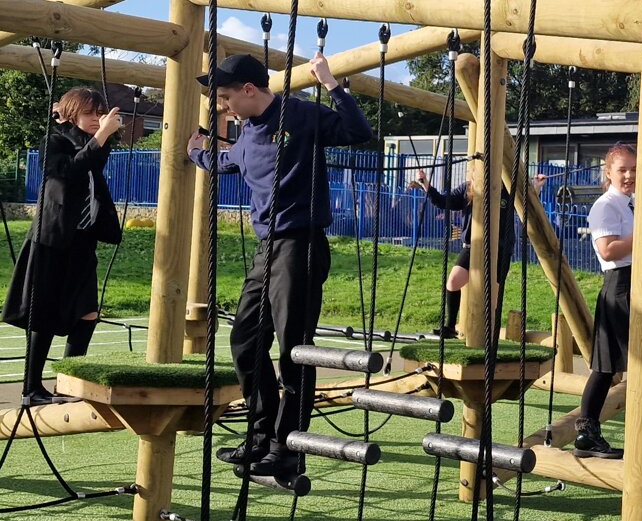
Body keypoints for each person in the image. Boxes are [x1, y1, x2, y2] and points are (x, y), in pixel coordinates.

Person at [188, 52, 372, 481]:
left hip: (300, 246)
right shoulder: (247, 135)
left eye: (228, 97)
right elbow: (226, 162)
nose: (225, 106)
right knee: (245, 339)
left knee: (293, 350)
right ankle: (259, 435)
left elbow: (357, 132)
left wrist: (329, 83)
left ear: (250, 90)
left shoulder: (301, 116)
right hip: (267, 249)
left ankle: (287, 448)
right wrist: (196, 151)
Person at [3, 87, 125, 406]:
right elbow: (70, 171)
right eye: (90, 113)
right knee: (42, 314)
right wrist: (99, 135)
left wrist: (101, 136)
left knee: (88, 313)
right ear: (72, 114)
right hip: (52, 242)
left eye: (100, 113)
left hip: (82, 243)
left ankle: (68, 383)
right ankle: (31, 388)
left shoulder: (93, 144)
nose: (97, 119)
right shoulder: (53, 142)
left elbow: (91, 163)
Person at [408, 170, 547, 340]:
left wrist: (536, 188)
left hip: (500, 248)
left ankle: (490, 333)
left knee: (493, 294)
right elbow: (444, 201)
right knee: (453, 281)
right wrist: (425, 184)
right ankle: (450, 326)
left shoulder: (506, 189)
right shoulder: (468, 190)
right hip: (473, 246)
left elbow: (526, 206)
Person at [573, 144, 637, 459]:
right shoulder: (606, 206)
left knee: (608, 365)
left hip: (637, 283)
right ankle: (587, 430)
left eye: (634, 169)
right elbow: (608, 250)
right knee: (614, 365)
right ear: (608, 172)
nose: (629, 175)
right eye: (622, 169)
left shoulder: (629, 204)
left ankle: (588, 431)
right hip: (621, 286)